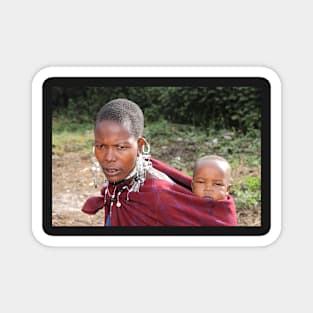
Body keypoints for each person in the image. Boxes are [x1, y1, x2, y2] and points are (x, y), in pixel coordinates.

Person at [82, 98, 237, 226]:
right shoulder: (124, 181)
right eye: (101, 146)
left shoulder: (158, 194)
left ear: (140, 146)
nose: (109, 157)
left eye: (121, 147)